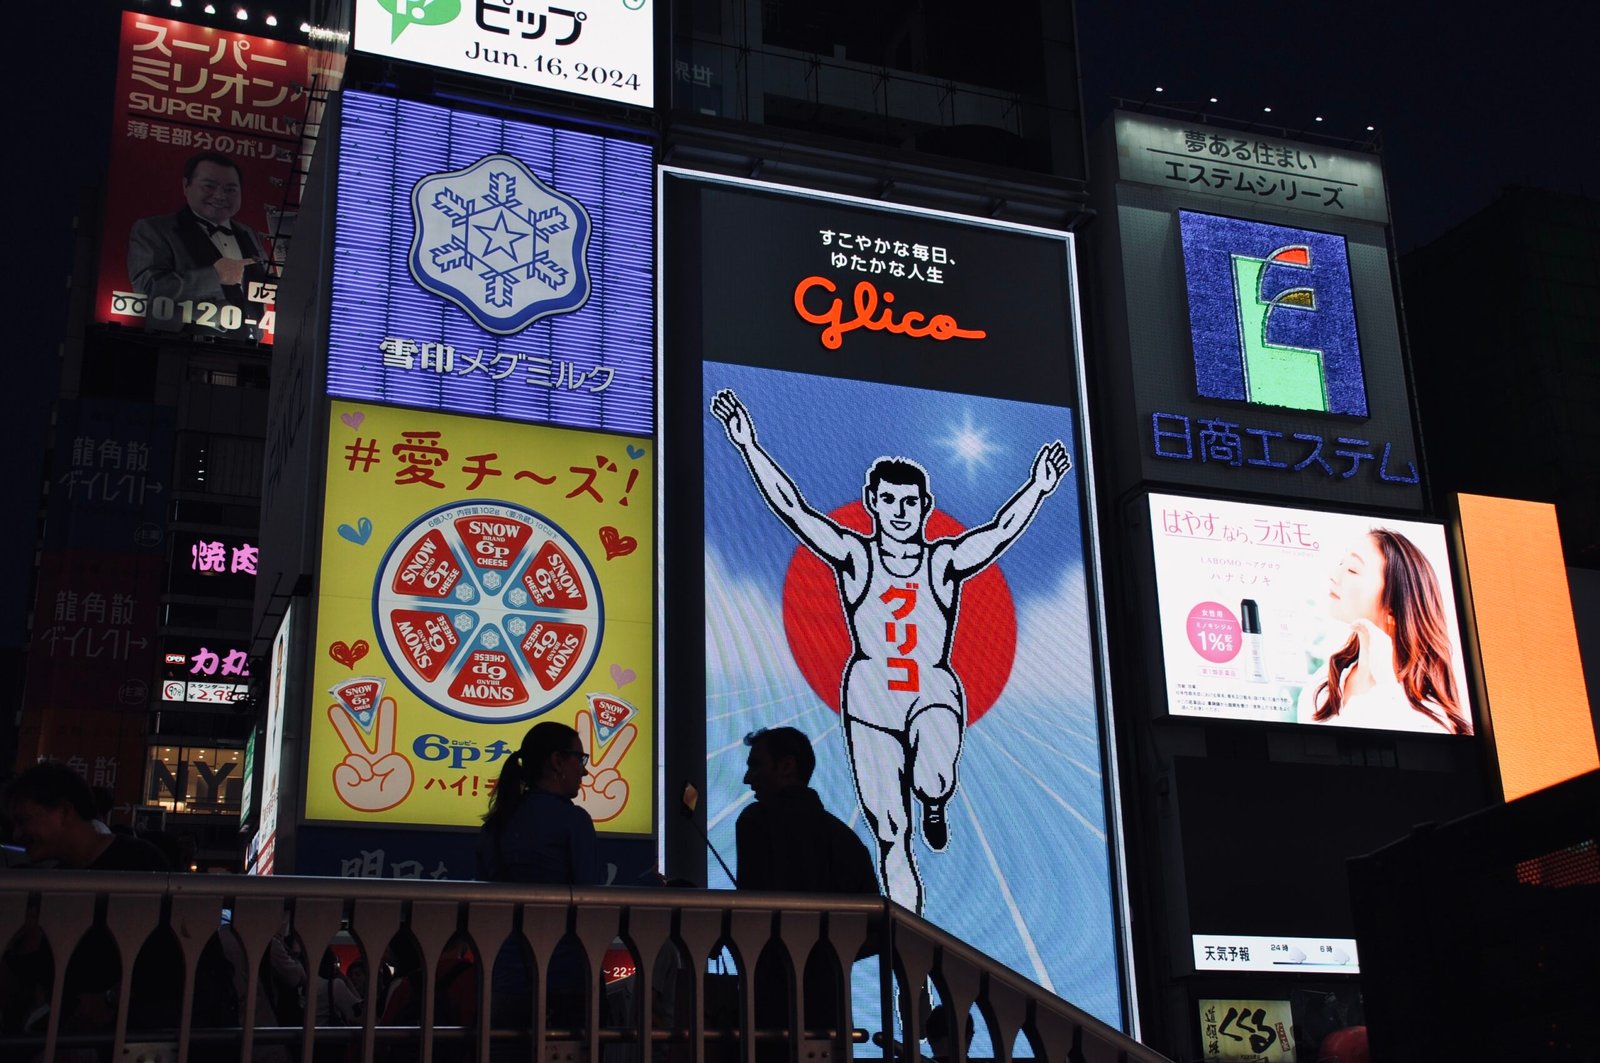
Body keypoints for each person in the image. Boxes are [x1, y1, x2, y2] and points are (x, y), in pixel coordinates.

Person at [712, 388, 1069, 913]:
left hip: (931, 689)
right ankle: (913, 970)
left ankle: (936, 801)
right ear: (872, 503)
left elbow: (995, 535)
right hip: (870, 698)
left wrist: (1037, 489)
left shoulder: (942, 561)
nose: (899, 512)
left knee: (931, 777)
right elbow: (794, 509)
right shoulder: (855, 555)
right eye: (888, 501)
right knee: (888, 832)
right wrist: (748, 445)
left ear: (923, 508)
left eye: (909, 503)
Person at [478, 722, 601, 1040]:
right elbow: (592, 904)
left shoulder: (496, 824)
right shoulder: (573, 821)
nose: (584, 772)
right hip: (564, 980)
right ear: (557, 761)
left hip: (503, 981)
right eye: (580, 758)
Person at [1301, 528, 1470, 735]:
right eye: (1340, 564)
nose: (1333, 576)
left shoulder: (1427, 717)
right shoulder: (1324, 684)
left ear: (1393, 609)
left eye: (1353, 570)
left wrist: (1385, 685)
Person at [127, 150, 271, 340]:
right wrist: (215, 276)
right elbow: (148, 289)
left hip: (249, 349)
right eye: (209, 186)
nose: (220, 196)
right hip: (180, 346)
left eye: (230, 189)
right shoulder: (154, 229)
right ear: (186, 186)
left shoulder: (249, 233)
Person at [735, 727, 878, 896]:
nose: (747, 778)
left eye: (755, 766)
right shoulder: (851, 843)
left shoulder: (755, 820)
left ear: (787, 766)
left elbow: (753, 913)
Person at [5, 760, 168, 871]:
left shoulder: (142, 862)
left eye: (23, 821)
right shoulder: (53, 875)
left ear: (64, 812)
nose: (17, 835)